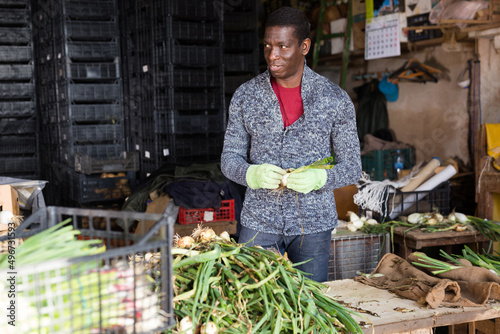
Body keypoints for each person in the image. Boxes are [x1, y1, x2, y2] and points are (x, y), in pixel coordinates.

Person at [221, 6, 361, 282]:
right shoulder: (245, 97)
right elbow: (229, 159)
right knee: (252, 303)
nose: (273, 56)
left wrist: (322, 177)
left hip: (313, 224)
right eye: (268, 46)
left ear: (304, 46)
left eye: (283, 46)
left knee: (309, 304)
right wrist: (250, 173)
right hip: (259, 222)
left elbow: (353, 166)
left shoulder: (334, 98)